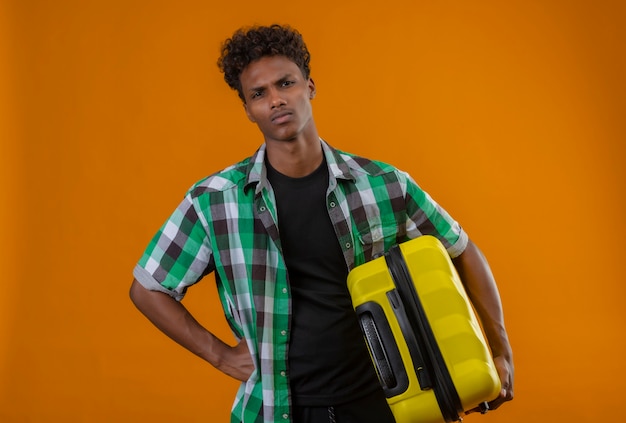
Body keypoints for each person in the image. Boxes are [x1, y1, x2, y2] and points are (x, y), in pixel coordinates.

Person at [129, 24, 514, 423]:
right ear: (247, 109)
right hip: (278, 410)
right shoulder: (215, 200)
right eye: (259, 94)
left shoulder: (383, 183)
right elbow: (148, 288)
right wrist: (220, 356)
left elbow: (461, 247)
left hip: (387, 404)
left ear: (309, 86)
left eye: (286, 83)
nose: (276, 100)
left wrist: (500, 350)